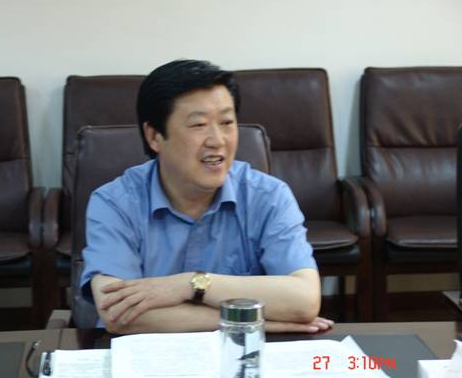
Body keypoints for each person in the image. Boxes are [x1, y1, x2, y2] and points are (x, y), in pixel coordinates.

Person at [80, 59, 333, 334]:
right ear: (154, 136)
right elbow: (117, 313)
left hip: (241, 355)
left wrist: (190, 284)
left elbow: (304, 301)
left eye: (227, 122)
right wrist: (260, 320)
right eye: (198, 124)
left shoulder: (269, 196)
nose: (217, 140)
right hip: (147, 357)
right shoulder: (114, 203)